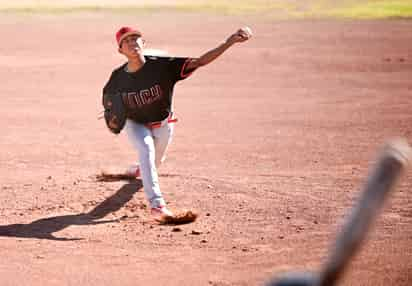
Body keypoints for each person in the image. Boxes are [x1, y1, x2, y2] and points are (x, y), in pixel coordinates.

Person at [102, 25, 252, 219]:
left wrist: (230, 42)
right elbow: (107, 100)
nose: (131, 42)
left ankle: (141, 169)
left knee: (154, 162)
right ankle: (157, 205)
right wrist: (111, 116)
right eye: (126, 41)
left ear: (143, 43)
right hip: (136, 124)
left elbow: (200, 61)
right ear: (120, 50)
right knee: (146, 150)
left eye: (135, 38)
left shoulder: (162, 67)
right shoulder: (117, 77)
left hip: (164, 124)